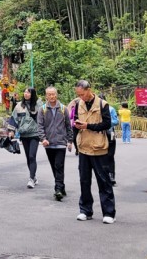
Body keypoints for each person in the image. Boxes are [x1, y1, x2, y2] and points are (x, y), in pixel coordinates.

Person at [72, 80, 115, 223]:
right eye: (78, 94)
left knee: (104, 181)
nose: (81, 97)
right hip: (83, 147)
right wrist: (76, 133)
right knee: (84, 181)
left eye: (82, 94)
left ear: (89, 90)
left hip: (99, 148)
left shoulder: (102, 104)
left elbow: (107, 124)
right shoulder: (78, 104)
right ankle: (85, 210)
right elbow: (75, 121)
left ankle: (109, 213)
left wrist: (88, 126)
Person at [38, 86, 73, 200]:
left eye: (53, 94)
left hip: (61, 143)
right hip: (48, 144)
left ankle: (57, 189)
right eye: (49, 94)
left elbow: (68, 126)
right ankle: (61, 186)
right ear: (46, 96)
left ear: (56, 95)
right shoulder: (42, 109)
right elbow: (40, 126)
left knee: (59, 165)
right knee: (54, 167)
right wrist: (43, 139)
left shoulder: (63, 108)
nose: (52, 96)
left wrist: (70, 141)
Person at [10, 87, 43, 189]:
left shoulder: (38, 105)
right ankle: (34, 176)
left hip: (34, 134)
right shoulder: (19, 106)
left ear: (32, 94)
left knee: (32, 156)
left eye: (28, 92)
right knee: (28, 157)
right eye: (25, 92)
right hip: (24, 135)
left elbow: (44, 118)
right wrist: (11, 131)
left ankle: (31, 179)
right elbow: (14, 119)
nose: (26, 94)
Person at [100, 94, 119, 186]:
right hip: (99, 134)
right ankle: (104, 176)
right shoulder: (95, 110)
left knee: (110, 155)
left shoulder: (111, 109)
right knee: (101, 156)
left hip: (110, 133)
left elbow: (116, 121)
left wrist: (107, 123)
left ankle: (111, 176)